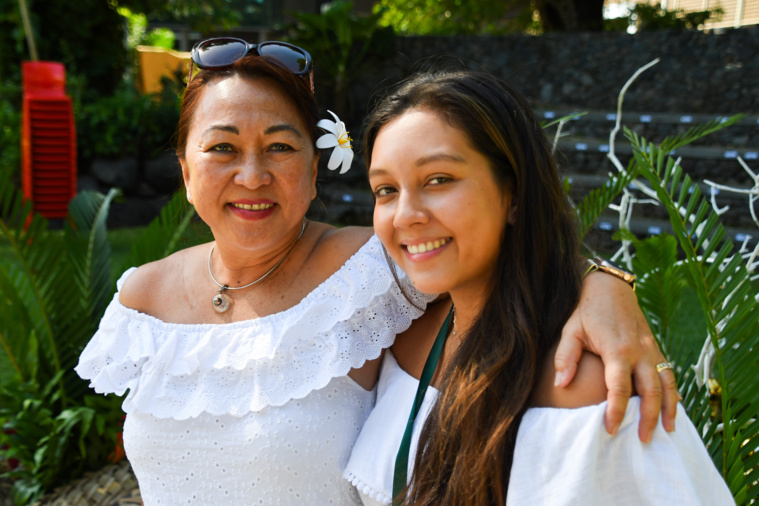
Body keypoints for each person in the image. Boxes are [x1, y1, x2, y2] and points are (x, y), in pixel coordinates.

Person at [77, 39, 676, 505]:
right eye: (222, 149)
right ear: (185, 172)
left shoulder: (372, 272)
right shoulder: (140, 299)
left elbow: (497, 252)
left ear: (316, 170)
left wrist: (603, 286)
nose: (253, 175)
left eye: (281, 147)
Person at [344, 70, 734, 505]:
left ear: (513, 194)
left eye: (438, 179)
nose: (405, 215)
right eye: (385, 190)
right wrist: (605, 279)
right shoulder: (403, 331)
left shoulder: (585, 386)